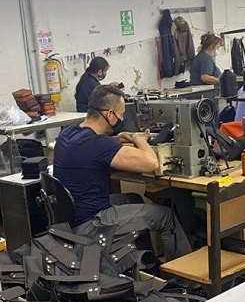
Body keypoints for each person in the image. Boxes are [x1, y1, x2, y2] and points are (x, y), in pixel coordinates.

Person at [54, 85, 191, 261]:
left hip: (71, 217)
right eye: (121, 114)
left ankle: (147, 262)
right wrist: (139, 139)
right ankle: (182, 278)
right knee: (165, 216)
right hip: (92, 223)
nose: (122, 118)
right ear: (109, 115)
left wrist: (115, 140)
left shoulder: (68, 133)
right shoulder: (98, 145)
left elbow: (95, 148)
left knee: (133, 198)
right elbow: (151, 163)